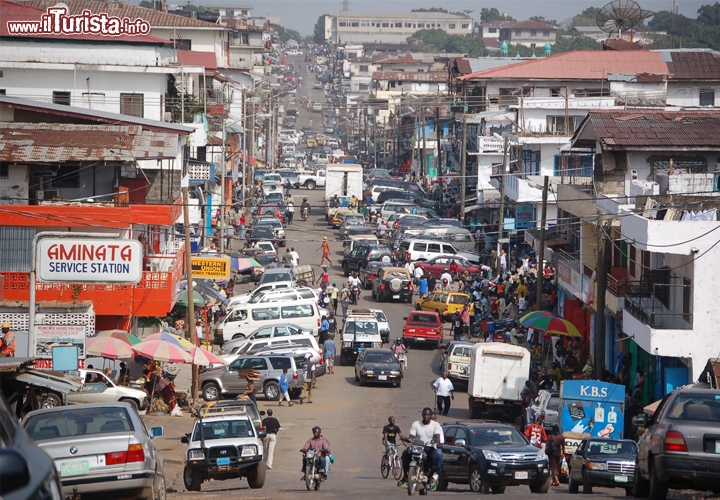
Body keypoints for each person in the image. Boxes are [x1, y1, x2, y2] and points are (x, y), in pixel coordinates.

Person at [398, 407, 442, 490]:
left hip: (429, 447)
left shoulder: (435, 425)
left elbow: (437, 435)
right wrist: (408, 439)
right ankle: (405, 477)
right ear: (422, 415)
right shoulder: (416, 424)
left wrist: (437, 441)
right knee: (406, 454)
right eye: (424, 414)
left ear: (430, 415)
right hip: (417, 446)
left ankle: (431, 478)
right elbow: (412, 436)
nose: (426, 416)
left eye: (428, 415)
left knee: (435, 457)